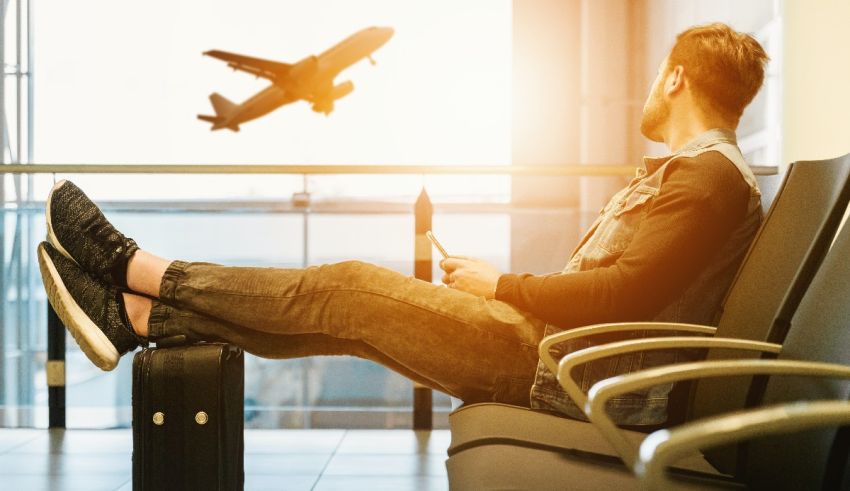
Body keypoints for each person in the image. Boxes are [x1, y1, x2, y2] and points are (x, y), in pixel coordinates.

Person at [38, 22, 768, 426]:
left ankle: (134, 268)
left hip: (560, 371)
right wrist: (505, 289)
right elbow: (624, 291)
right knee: (349, 320)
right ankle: (137, 316)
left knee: (347, 288)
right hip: (559, 358)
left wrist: (504, 284)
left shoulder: (706, 179)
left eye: (655, 77)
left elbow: (623, 296)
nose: (648, 90)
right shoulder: (702, 177)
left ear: (675, 78)